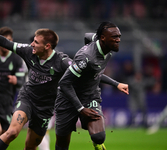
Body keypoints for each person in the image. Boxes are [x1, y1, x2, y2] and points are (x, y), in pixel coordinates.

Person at [0, 27, 72, 150]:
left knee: (31, 146)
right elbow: (5, 42)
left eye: (36, 42)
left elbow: (84, 70)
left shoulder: (62, 61)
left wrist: (106, 81)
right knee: (12, 132)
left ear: (47, 46)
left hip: (45, 109)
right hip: (27, 99)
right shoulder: (28, 51)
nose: (32, 44)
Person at [55, 21, 129, 150]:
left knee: (99, 137)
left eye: (119, 37)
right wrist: (80, 109)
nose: (118, 40)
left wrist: (116, 84)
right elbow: (64, 83)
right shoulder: (86, 58)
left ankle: (97, 144)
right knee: (62, 145)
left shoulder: (99, 40)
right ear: (103, 38)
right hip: (67, 99)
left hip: (90, 96)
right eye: (115, 37)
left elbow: (87, 36)